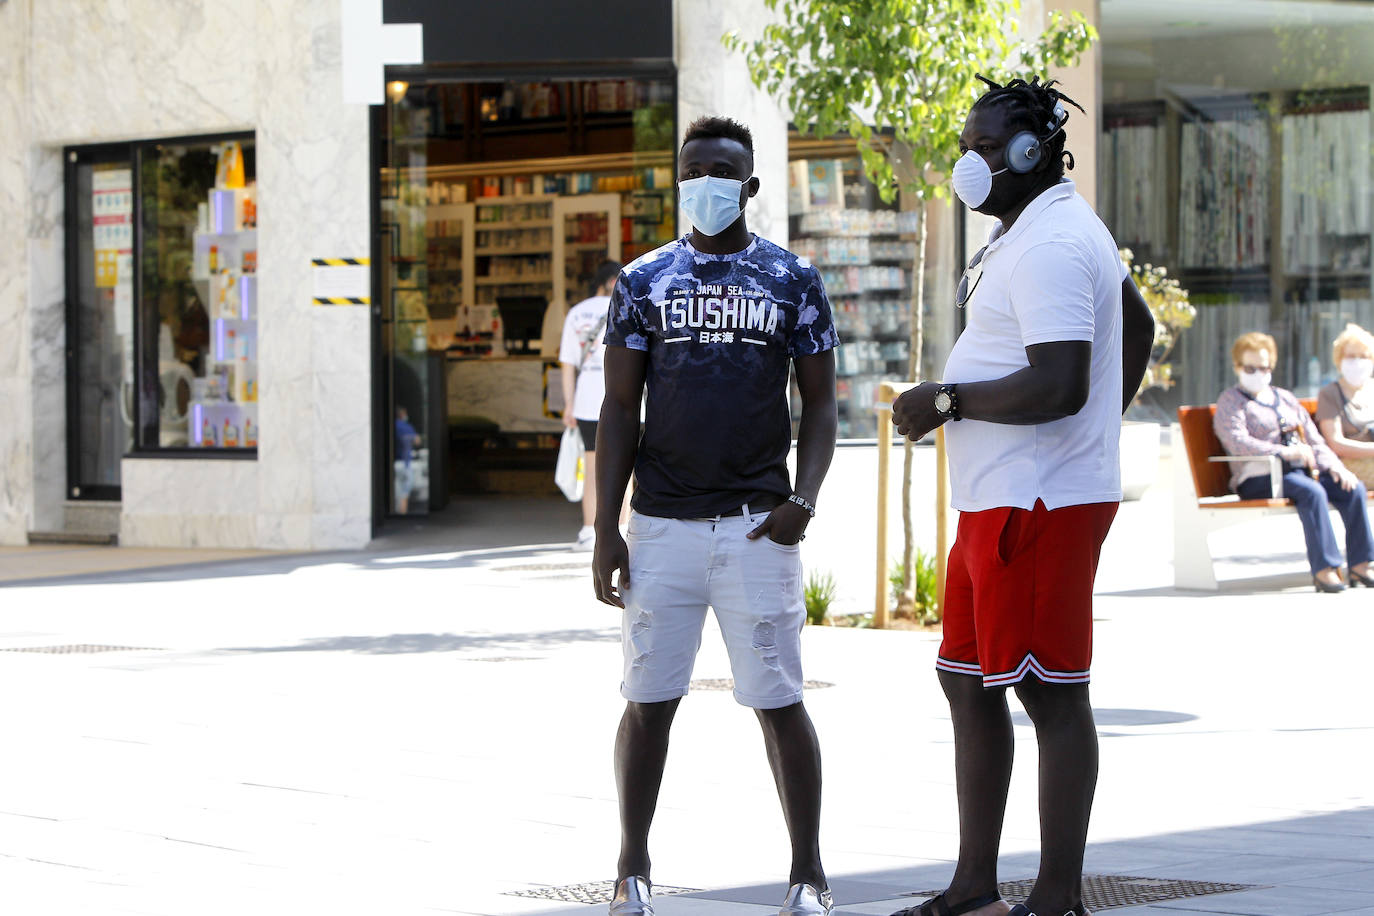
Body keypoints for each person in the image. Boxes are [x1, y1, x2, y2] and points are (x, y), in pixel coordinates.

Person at [890, 76, 1154, 916]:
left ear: (1034, 152)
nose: (969, 163)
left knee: (1048, 690)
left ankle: (1057, 897)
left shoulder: (1048, 242)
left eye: (984, 147)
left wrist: (947, 400)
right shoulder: (1036, 231)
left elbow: (1060, 383)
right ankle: (975, 883)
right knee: (967, 681)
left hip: (1038, 504)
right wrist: (1095, 437)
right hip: (999, 498)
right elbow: (1137, 326)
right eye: (965, 145)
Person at [593, 116, 839, 916]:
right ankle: (631, 870)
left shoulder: (793, 279)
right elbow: (620, 408)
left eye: (722, 169)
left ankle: (808, 874)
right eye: (694, 168)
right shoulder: (641, 281)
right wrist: (606, 530)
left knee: (779, 700)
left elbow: (824, 402)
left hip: (756, 528)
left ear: (750, 186)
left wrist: (803, 500)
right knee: (647, 701)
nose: (706, 181)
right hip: (661, 526)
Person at [1215, 331, 1373, 592]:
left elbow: (1314, 440)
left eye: (1264, 367)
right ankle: (1326, 568)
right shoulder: (1231, 401)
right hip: (1259, 476)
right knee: (1311, 492)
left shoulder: (1285, 398)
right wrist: (1281, 452)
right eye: (1251, 367)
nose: (1259, 373)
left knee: (1351, 487)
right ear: (1238, 367)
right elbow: (1236, 440)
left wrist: (1335, 467)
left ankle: (1361, 563)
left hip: (1300, 472)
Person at [559, 260, 624, 551]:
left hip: (586, 397)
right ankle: (623, 527)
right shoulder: (626, 307)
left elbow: (568, 363)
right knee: (626, 467)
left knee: (591, 465)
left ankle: (589, 530)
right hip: (623, 394)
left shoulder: (577, 313)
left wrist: (569, 404)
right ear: (613, 281)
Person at [1316, 323, 1374, 488]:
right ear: (1339, 359)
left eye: (1363, 356)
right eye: (1351, 356)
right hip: (1351, 467)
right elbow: (1336, 443)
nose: (1357, 361)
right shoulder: (1329, 393)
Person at [394, 405, 421, 514]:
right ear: (402, 415)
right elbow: (417, 441)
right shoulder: (407, 427)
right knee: (404, 493)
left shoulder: (393, 426)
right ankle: (402, 514)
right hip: (405, 463)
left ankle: (398, 513)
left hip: (393, 463)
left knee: (396, 493)